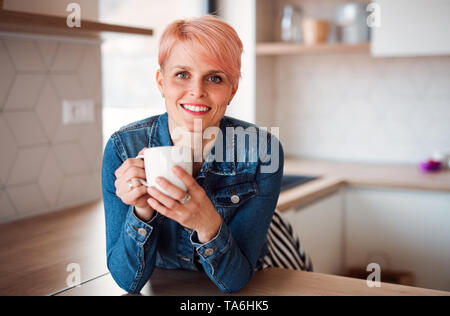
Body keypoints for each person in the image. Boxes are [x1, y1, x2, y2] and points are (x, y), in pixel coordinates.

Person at [102, 15, 312, 295]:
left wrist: (207, 223)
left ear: (232, 90)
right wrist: (142, 210)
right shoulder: (122, 149)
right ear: (161, 82)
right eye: (182, 74)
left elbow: (236, 279)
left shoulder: (264, 151)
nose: (197, 91)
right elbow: (129, 282)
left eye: (214, 78)